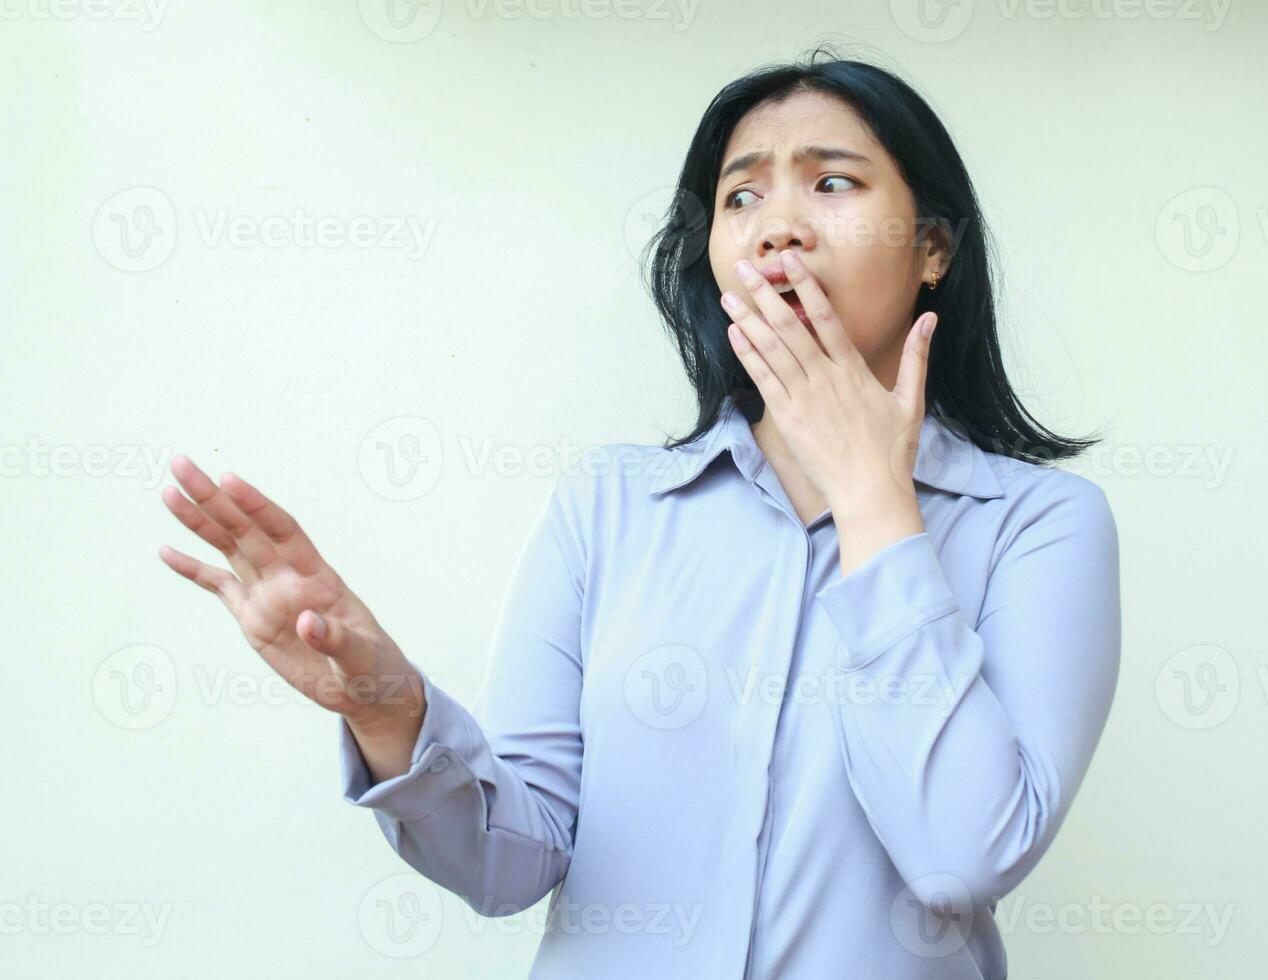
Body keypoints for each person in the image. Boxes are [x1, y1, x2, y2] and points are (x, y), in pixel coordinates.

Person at [159, 47, 1121, 980]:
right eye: (741, 196)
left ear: (934, 249)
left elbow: (962, 855)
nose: (776, 224)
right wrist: (387, 706)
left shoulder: (1040, 525)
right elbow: (512, 865)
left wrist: (875, 501)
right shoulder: (608, 508)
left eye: (832, 183)